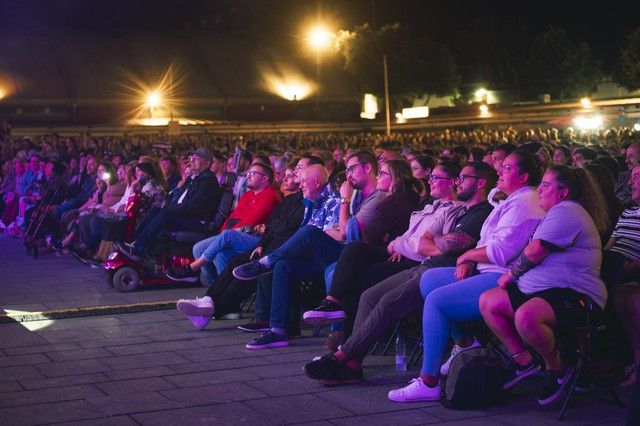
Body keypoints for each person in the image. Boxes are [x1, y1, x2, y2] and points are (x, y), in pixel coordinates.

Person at [303, 161, 497, 385]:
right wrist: (439, 244)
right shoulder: (463, 212)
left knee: (386, 300)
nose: (457, 182)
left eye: (463, 178)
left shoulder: (482, 213)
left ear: (481, 183)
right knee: (368, 295)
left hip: (439, 272)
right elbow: (430, 241)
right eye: (458, 177)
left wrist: (457, 253)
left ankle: (342, 357)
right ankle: (352, 364)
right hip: (425, 265)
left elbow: (448, 243)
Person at [386, 150, 545, 403]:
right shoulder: (511, 199)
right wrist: (471, 260)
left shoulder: (525, 202)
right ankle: (466, 342)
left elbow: (500, 251)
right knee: (430, 279)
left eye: (506, 168)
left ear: (524, 176)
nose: (500, 171)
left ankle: (429, 381)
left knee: (437, 300)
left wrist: (467, 257)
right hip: (486, 269)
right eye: (501, 168)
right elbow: (489, 233)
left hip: (503, 277)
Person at [480, 165, 609, 405]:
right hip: (542, 292)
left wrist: (510, 275)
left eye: (546, 185)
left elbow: (535, 251)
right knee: (489, 302)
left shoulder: (568, 210)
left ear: (563, 192)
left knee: (526, 317)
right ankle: (524, 361)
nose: (539, 188)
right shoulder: (555, 212)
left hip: (575, 294)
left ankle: (557, 369)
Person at [174, 156, 321, 330]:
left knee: (248, 270)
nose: (294, 173)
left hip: (284, 248)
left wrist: (267, 234)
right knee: (235, 262)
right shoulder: (290, 199)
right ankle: (208, 301)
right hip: (269, 244)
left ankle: (211, 308)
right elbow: (272, 226)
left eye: (298, 168)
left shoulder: (304, 200)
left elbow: (285, 227)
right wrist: (262, 243)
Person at [166, 162, 281, 282]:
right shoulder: (248, 195)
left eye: (253, 173)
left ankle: (192, 269)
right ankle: (213, 289)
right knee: (198, 248)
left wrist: (226, 234)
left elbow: (253, 221)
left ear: (265, 178)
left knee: (222, 250)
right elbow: (232, 218)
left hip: (256, 237)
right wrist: (223, 233)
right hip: (236, 233)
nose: (248, 176)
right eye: (248, 173)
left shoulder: (271, 195)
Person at [118, 147, 221, 259]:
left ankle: (138, 248)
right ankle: (134, 244)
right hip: (187, 216)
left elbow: (193, 207)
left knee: (164, 215)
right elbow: (180, 198)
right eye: (193, 157)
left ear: (207, 163)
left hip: (198, 222)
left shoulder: (208, 181)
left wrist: (171, 208)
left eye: (197, 158)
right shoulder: (195, 178)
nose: (192, 160)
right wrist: (171, 206)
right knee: (155, 210)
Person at [610, 164, 640, 387]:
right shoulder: (627, 212)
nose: (631, 181)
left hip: (631, 272)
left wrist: (625, 268)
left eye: (637, 177)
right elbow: (609, 245)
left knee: (630, 300)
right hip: (616, 270)